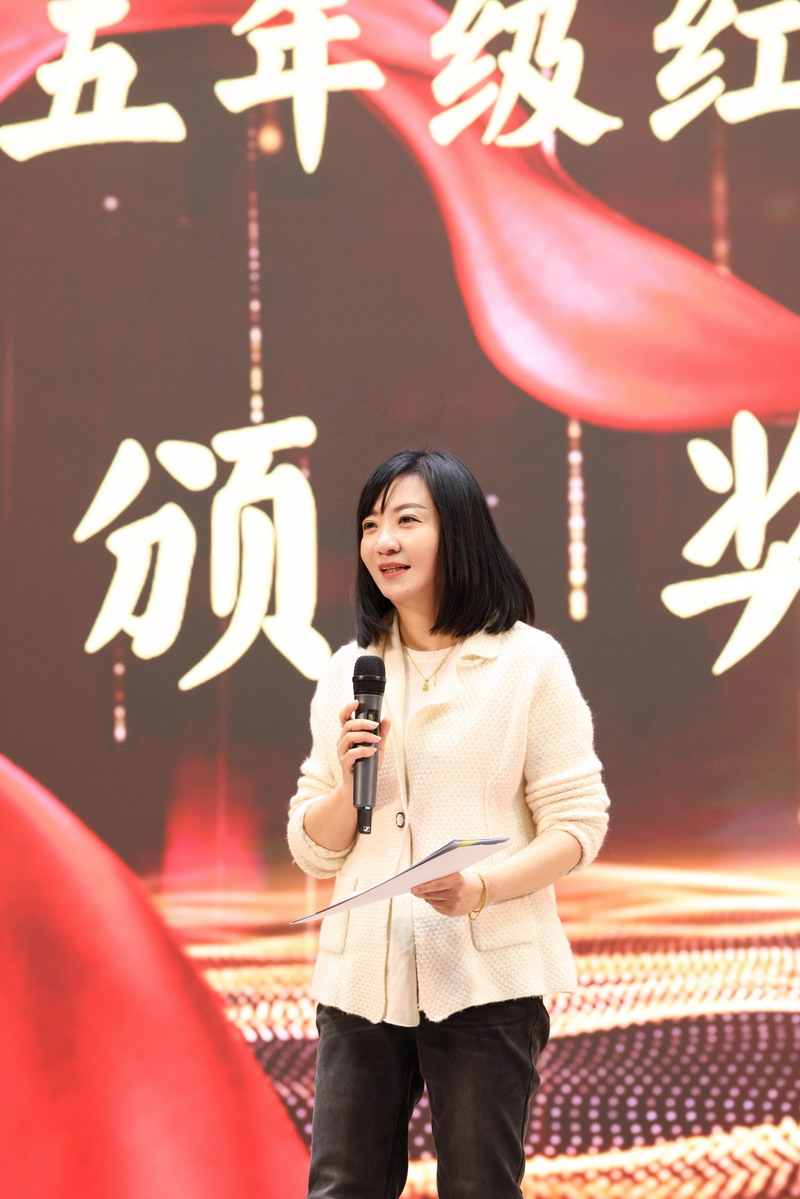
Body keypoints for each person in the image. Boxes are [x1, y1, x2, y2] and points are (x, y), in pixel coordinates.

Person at [287, 449, 610, 1199]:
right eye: (370, 525)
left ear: (457, 532)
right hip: (361, 980)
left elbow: (577, 825)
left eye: (407, 520)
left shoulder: (528, 663)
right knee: (341, 1185)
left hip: (485, 978)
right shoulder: (350, 670)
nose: (383, 542)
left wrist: (480, 888)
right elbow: (313, 845)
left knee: (479, 1186)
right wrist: (346, 774)